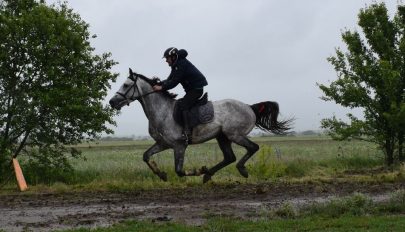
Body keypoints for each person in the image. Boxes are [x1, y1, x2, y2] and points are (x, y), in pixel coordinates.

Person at [153, 47, 208, 141]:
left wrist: (161, 88)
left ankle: (187, 132)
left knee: (183, 105)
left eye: (167, 58)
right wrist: (160, 83)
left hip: (196, 89)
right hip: (191, 90)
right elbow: (170, 79)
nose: (166, 60)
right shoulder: (176, 65)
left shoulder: (181, 64)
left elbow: (175, 81)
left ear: (173, 57)